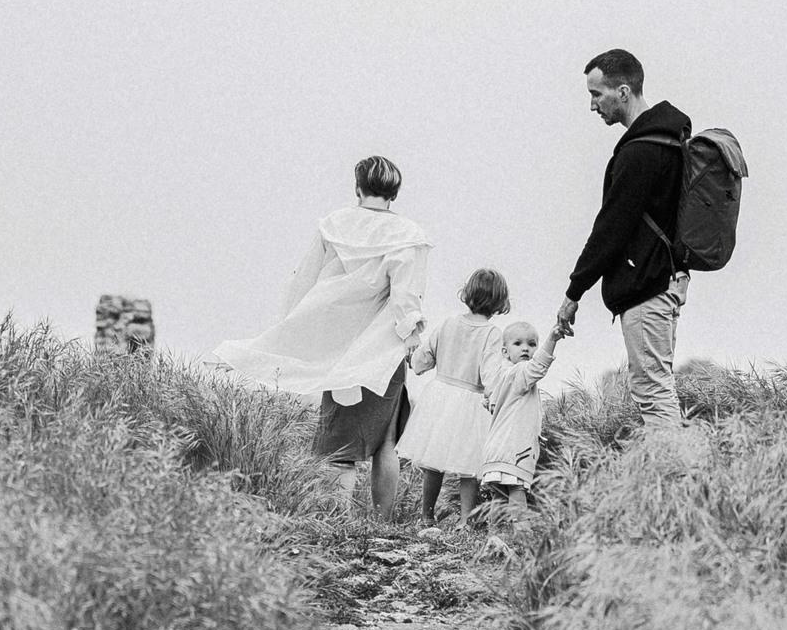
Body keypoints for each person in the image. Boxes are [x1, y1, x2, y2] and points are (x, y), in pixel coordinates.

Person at [209, 155, 429, 519]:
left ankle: (336, 517)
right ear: (395, 192)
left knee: (339, 440)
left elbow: (305, 280)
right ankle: (382, 520)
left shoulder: (334, 225)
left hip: (338, 348)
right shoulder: (408, 236)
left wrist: (293, 328)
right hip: (382, 348)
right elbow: (406, 296)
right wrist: (411, 337)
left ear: (357, 187)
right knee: (386, 441)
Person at [554, 48, 692, 434]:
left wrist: (574, 291)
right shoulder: (670, 140)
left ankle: (680, 479)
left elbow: (610, 229)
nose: (593, 105)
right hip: (663, 279)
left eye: (597, 94)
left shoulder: (641, 152)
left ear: (624, 91)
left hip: (647, 287)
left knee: (652, 391)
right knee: (656, 387)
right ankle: (681, 478)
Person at [399, 268, 510, 523]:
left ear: (468, 293)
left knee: (433, 462)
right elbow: (490, 372)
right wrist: (497, 398)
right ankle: (463, 521)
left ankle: (427, 516)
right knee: (469, 467)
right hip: (471, 400)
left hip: (440, 396)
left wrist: (414, 361)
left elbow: (423, 359)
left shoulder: (448, 323)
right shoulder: (492, 334)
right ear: (499, 301)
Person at [477, 320, 559, 507]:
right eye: (518, 343)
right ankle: (521, 533)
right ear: (505, 352)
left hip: (496, 448)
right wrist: (552, 340)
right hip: (515, 448)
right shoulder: (519, 373)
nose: (526, 349)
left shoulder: (500, 378)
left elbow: (491, 403)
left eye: (532, 344)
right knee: (517, 491)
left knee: (498, 496)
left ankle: (494, 534)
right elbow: (538, 367)